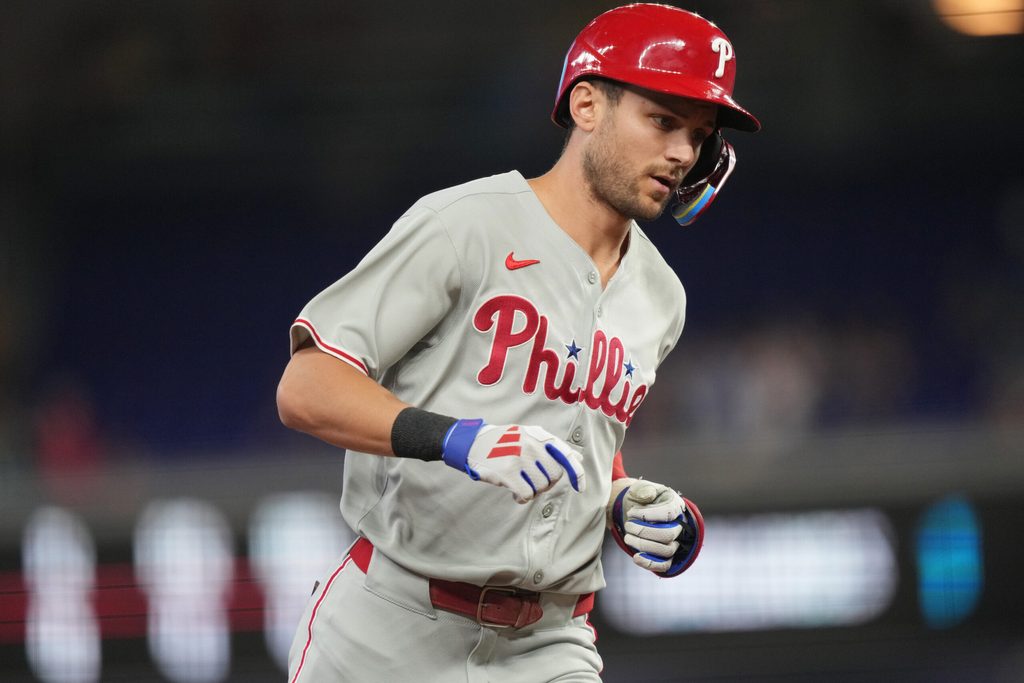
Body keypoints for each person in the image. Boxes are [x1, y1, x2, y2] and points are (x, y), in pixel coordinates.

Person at [276, 4, 760, 681]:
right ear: (587, 105)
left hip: (548, 642)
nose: (683, 152)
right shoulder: (466, 225)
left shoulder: (662, 297)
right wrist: (455, 437)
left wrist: (622, 502)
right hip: (389, 624)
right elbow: (305, 387)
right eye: (662, 120)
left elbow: (589, 439)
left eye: (700, 134)